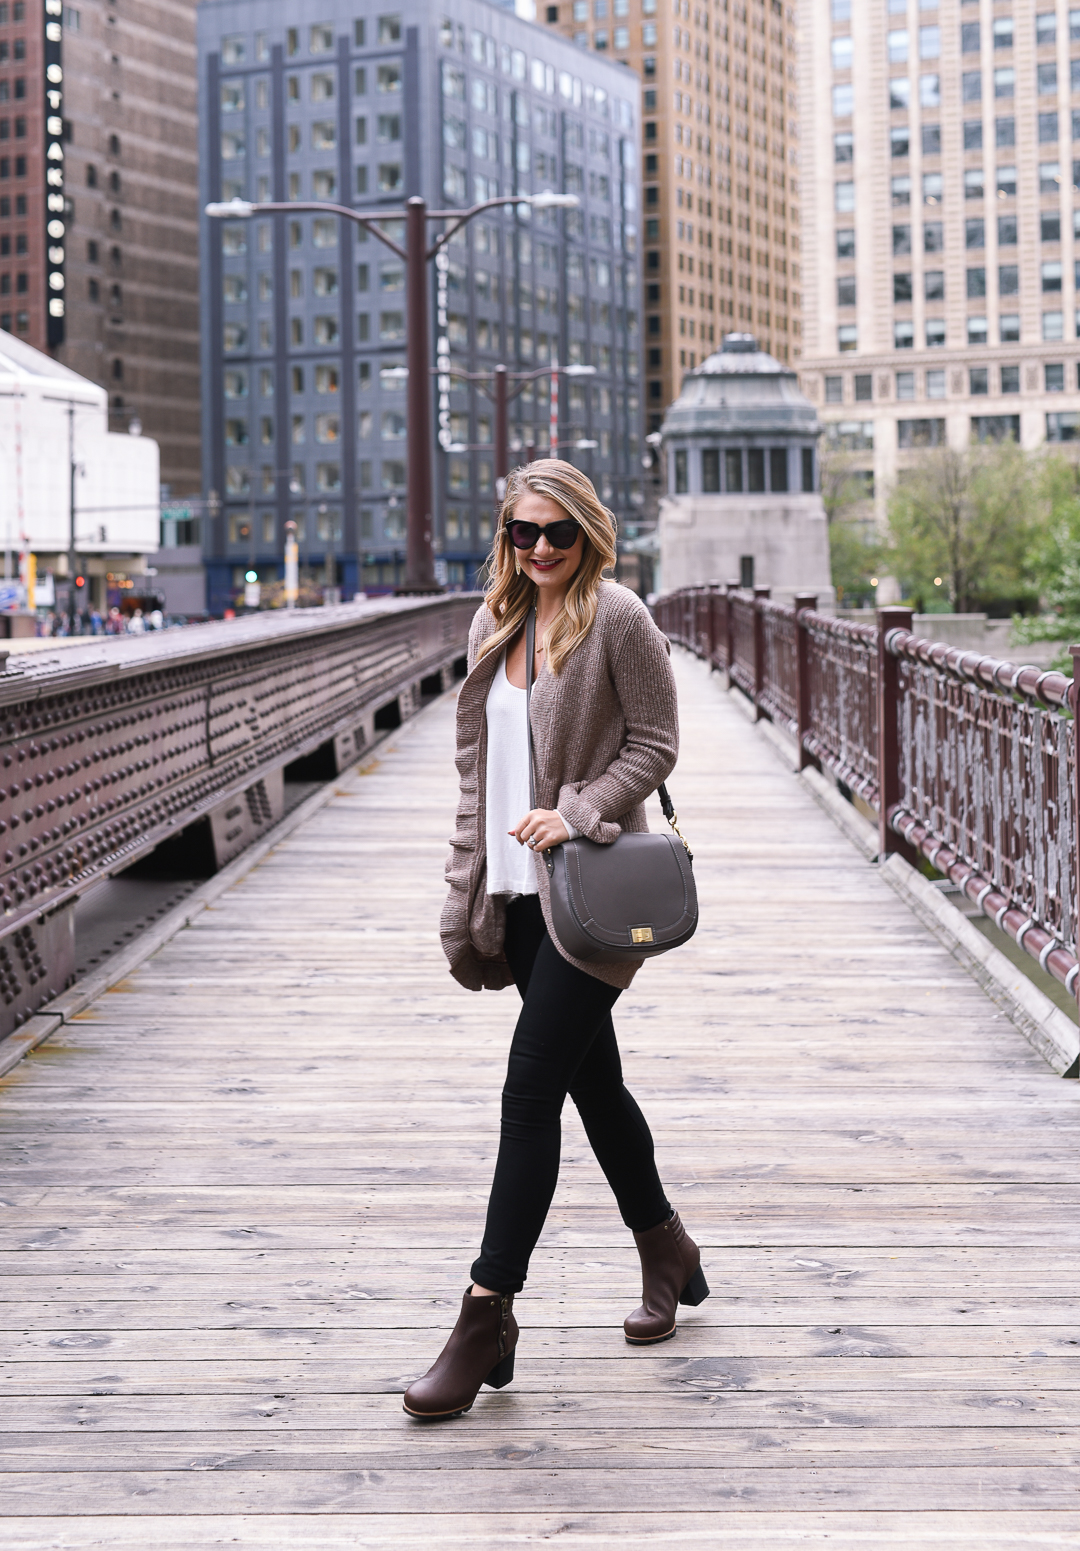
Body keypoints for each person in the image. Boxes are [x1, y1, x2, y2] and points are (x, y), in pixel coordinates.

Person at [403, 460, 708, 1422]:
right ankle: (667, 1248)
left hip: (588, 891)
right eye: (522, 533)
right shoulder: (492, 621)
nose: (538, 549)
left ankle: (485, 1315)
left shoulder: (617, 616)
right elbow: (477, 772)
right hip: (514, 892)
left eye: (557, 534)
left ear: (589, 535)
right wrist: (468, 878)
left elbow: (655, 743)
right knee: (593, 1082)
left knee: (529, 1089)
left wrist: (576, 813)